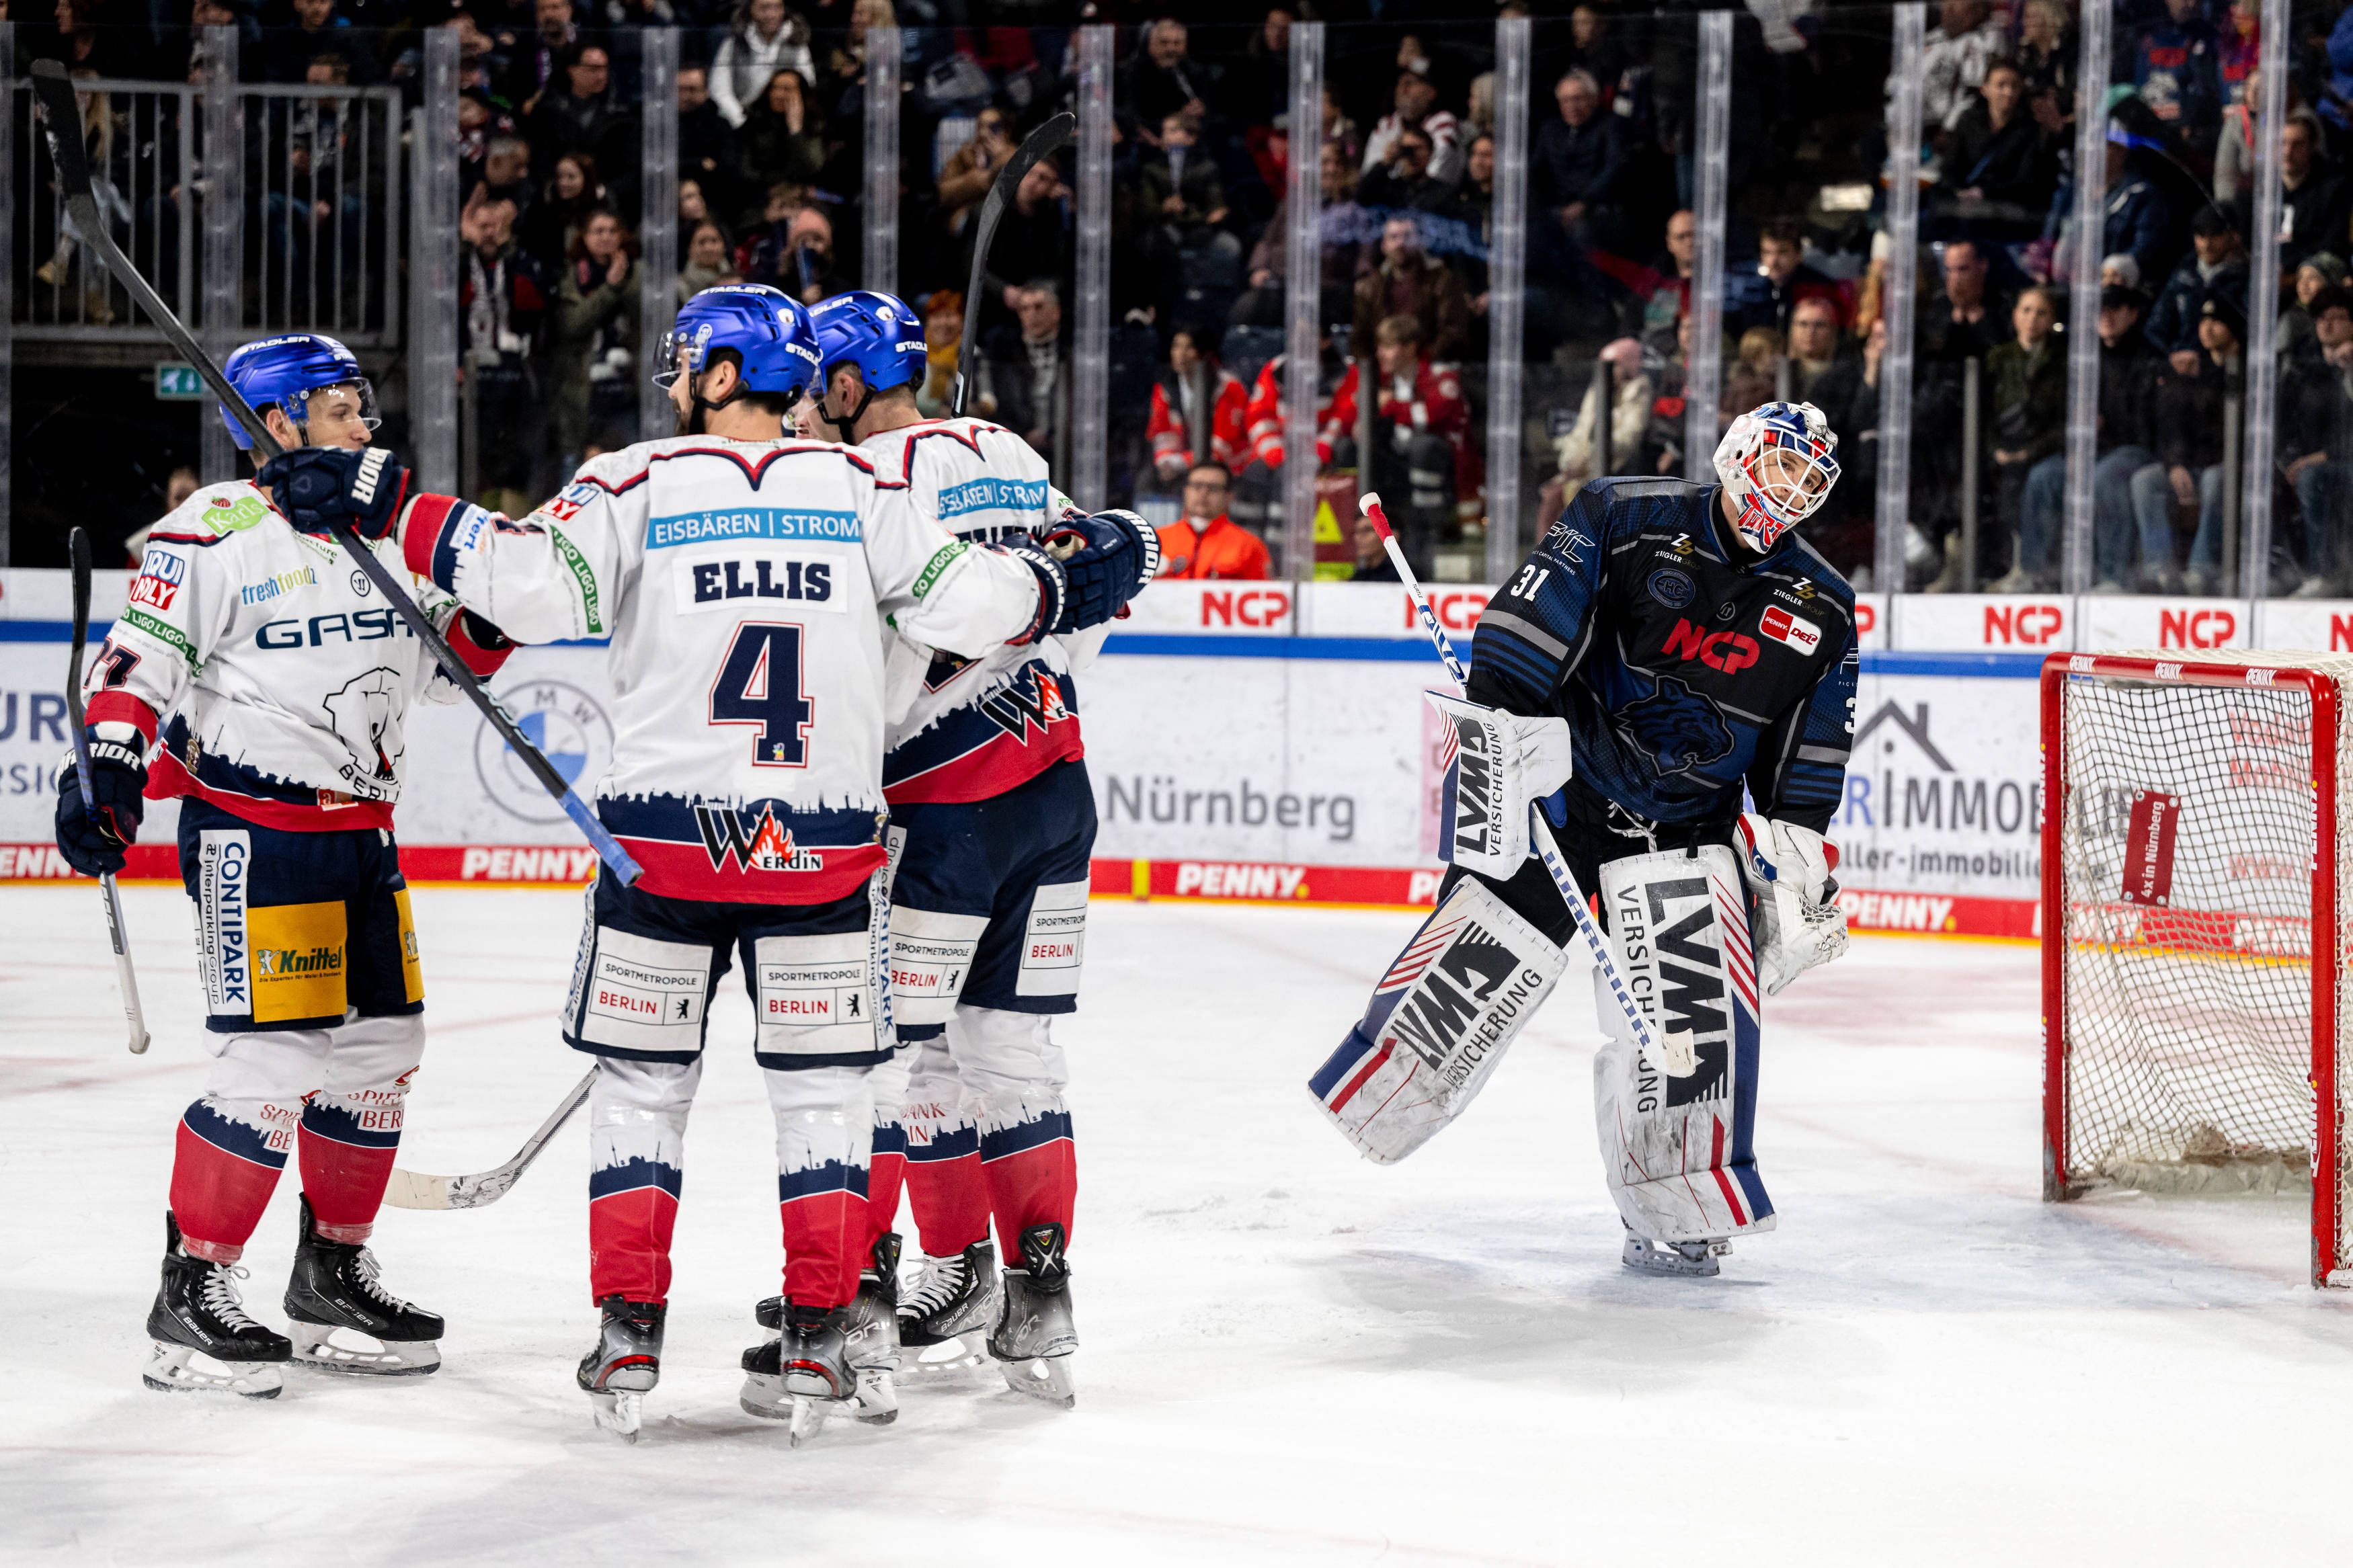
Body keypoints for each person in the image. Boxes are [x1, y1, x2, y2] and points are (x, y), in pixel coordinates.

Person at [254, 284, 1156, 1441]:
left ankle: (629, 1335)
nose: (674, 378)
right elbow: (983, 603)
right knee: (838, 1095)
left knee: (643, 1089)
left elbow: (523, 580)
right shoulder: (863, 487)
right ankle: (829, 1333)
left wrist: (388, 498)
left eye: (685, 361)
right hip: (826, 848)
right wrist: (1073, 576)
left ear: (722, 374)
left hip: (667, 847)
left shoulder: (633, 479)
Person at [53, 334, 518, 1399]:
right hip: (254, 832)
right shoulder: (214, 529)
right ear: (276, 421)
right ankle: (192, 1289)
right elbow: (138, 659)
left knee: (382, 1050)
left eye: (363, 406)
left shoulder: (380, 528)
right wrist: (109, 766)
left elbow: (449, 666)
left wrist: (496, 607)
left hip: (363, 832)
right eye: (342, 408)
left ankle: (331, 1273)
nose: (364, 424)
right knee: (271, 1063)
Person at [1310, 402, 1855, 1278]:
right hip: (1565, 793)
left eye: (1808, 478)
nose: (1788, 489)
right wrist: (1505, 729)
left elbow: (1811, 749)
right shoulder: (1625, 513)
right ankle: (1384, 1096)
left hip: (1684, 829)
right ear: (1737, 453)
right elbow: (1525, 625)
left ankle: (1677, 1197)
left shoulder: (1821, 604)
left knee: (1691, 1017)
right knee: (1476, 965)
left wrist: (1796, 856)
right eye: (1779, 463)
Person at [785, 290, 1125, 1409]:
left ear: (846, 386)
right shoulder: (1012, 451)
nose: (798, 413)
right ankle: (1031, 1297)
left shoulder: (854, 481)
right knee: (1009, 1056)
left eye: (809, 390)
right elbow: (1095, 587)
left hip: (937, 810)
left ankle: (859, 1308)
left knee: (881, 1057)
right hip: (1055, 790)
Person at [1986, 286, 2068, 591]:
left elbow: (2063, 420)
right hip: (2002, 450)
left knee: (2037, 481)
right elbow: (1982, 415)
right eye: (2027, 310)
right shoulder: (1997, 359)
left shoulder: (2062, 362)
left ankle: (2034, 569)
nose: (2033, 319)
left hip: (2045, 452)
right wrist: (1995, 450)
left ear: (2051, 319)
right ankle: (2007, 565)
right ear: (2015, 316)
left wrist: (2030, 451)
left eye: (2041, 312)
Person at [1146, 329, 1250, 488]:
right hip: (1184, 465)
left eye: (1189, 347)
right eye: (1176, 346)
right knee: (1148, 479)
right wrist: (1166, 462)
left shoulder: (1230, 388)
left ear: (1205, 354)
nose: (1181, 354)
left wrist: (1181, 462)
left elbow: (1224, 444)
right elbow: (1162, 433)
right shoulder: (1165, 388)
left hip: (1230, 467)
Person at [1156, 462, 1271, 580]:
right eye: (1197, 486)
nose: (1203, 493)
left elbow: (1262, 590)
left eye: (1213, 488)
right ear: (1186, 491)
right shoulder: (1157, 540)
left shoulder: (1249, 547)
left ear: (1229, 496)